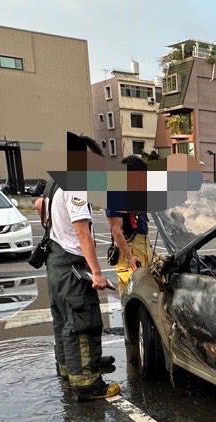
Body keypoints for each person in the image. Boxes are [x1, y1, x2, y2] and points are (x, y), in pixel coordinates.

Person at [44, 135, 120, 401]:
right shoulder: (76, 186)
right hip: (72, 266)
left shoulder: (55, 181)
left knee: (63, 322)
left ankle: (69, 371)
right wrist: (97, 273)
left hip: (55, 263)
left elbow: (40, 206)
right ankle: (87, 384)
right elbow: (83, 234)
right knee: (82, 324)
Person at [106, 155, 154, 294]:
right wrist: (130, 257)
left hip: (143, 245)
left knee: (148, 292)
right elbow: (116, 229)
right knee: (132, 292)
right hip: (131, 249)